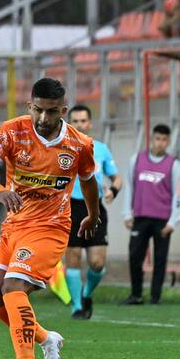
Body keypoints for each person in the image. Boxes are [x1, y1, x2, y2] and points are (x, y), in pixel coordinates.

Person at [0, 78, 100, 359]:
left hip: (50, 227)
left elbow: (88, 181)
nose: (43, 119)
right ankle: (46, 339)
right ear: (30, 106)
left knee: (13, 287)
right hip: (15, 225)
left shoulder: (79, 144)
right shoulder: (12, 131)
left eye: (51, 112)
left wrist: (93, 215)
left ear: (63, 110)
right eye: (38, 110)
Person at [65, 105, 122, 319]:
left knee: (97, 263)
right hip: (70, 207)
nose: (80, 124)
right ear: (69, 123)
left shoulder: (101, 149)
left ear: (90, 123)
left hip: (95, 206)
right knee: (73, 257)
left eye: (83, 121)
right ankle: (77, 308)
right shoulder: (61, 148)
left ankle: (86, 293)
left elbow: (116, 178)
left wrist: (113, 191)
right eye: (75, 121)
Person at [122, 124, 180, 305]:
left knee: (160, 260)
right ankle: (136, 294)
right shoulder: (137, 160)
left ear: (168, 142)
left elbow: (178, 195)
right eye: (158, 139)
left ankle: (155, 297)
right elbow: (129, 188)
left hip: (162, 220)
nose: (160, 143)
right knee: (135, 256)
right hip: (140, 217)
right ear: (151, 139)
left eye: (164, 140)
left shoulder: (174, 165)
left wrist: (173, 221)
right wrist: (127, 214)